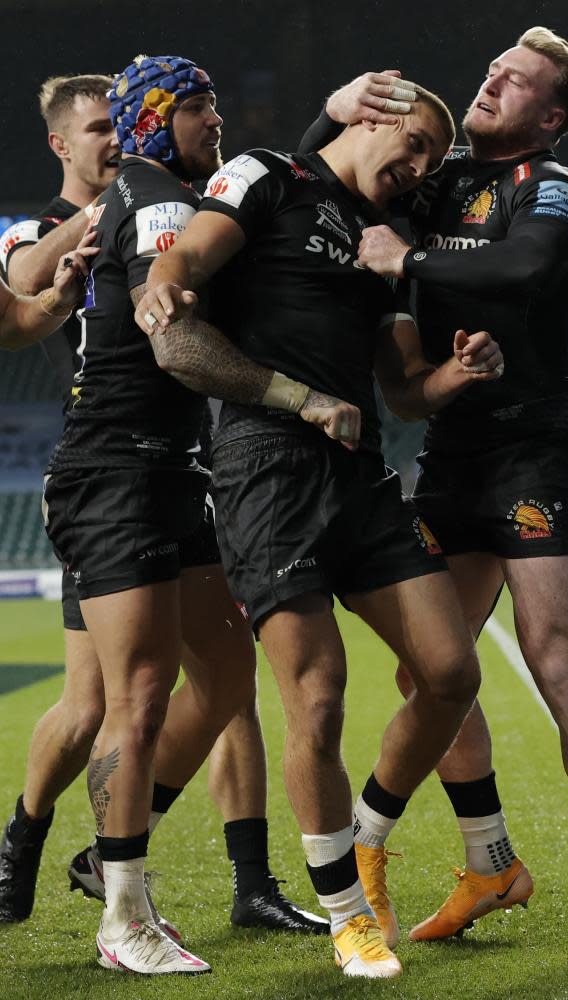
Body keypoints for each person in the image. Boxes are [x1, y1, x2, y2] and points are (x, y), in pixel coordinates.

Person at [133, 86, 504, 978]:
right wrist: (162, 283)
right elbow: (181, 274)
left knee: (450, 672)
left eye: (427, 160)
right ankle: (346, 914)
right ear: (366, 117)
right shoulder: (268, 175)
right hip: (267, 469)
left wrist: (459, 375)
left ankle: (367, 832)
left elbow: (406, 388)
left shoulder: (381, 244)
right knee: (320, 692)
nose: (415, 169)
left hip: (362, 471)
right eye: (412, 143)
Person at [307, 27, 568, 965]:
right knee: (431, 673)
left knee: (560, 666)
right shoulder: (438, 174)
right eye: (494, 69)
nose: (493, 82)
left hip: (539, 452)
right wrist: (331, 114)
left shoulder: (552, 188)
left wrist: (404, 262)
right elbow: (314, 187)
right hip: (452, 454)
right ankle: (491, 862)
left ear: (552, 116)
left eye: (518, 81)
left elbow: (524, 267)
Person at [0, 72, 325, 939]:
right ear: (62, 145)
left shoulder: (163, 202)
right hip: (109, 460)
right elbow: (23, 279)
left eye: (120, 125)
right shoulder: (55, 222)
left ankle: (248, 881)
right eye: (95, 128)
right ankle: (27, 844)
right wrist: (113, 200)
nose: (110, 140)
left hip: (181, 457)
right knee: (95, 705)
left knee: (227, 684)